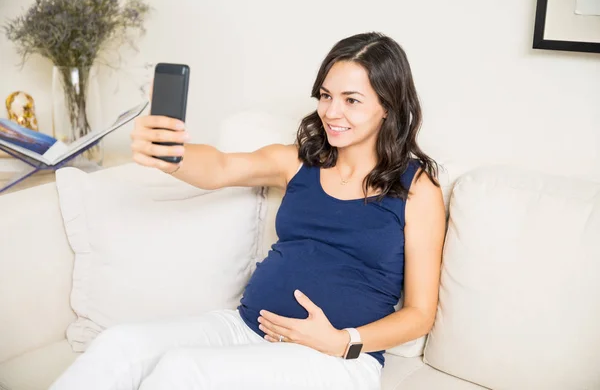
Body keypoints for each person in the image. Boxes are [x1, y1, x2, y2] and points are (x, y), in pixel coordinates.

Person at [49, 32, 446, 390]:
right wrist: (170, 155)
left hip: (335, 358)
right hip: (245, 325)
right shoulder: (297, 162)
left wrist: (345, 340)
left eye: (351, 100)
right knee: (118, 346)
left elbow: (419, 313)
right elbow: (221, 166)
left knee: (182, 371)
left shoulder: (417, 189)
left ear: (388, 108)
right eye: (325, 96)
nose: (331, 112)